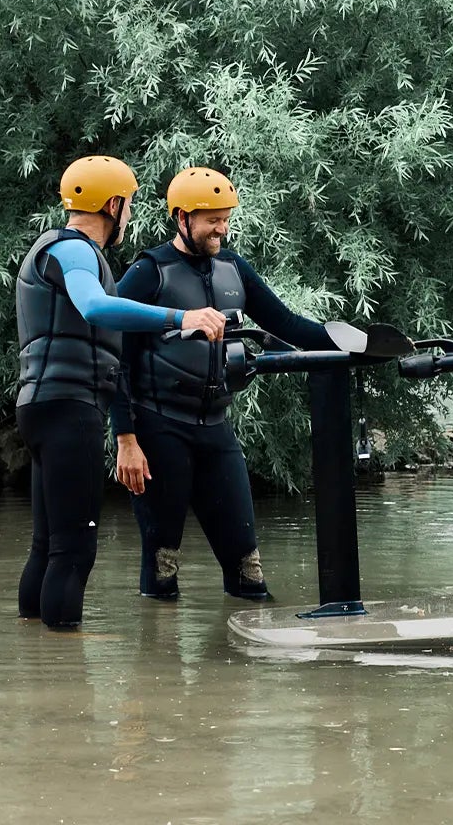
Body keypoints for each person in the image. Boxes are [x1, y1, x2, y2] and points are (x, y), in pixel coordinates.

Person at [14, 155, 225, 630]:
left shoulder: (52, 249)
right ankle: (63, 685)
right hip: (70, 408)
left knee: (47, 544)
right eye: (128, 205)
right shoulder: (74, 250)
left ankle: (34, 664)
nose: (129, 215)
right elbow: (93, 307)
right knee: (74, 550)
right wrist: (181, 317)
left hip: (40, 405)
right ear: (112, 204)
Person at [111, 167, 339, 602]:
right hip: (158, 431)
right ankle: (157, 661)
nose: (222, 228)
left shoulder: (234, 268)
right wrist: (126, 439)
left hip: (216, 429)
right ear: (182, 218)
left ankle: (248, 654)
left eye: (226, 217)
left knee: (248, 570)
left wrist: (354, 343)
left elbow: (288, 323)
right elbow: (113, 357)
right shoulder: (148, 272)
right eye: (212, 219)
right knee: (162, 568)